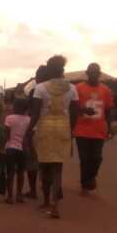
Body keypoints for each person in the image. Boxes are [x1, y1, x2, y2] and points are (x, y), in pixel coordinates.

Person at [27, 55, 79, 219]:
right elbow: (74, 112)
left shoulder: (40, 88)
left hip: (44, 128)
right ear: (63, 70)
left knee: (44, 166)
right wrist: (71, 131)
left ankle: (46, 200)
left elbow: (35, 114)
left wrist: (28, 131)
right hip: (63, 128)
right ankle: (55, 205)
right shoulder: (72, 89)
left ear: (49, 70)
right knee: (57, 169)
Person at [74, 63, 114, 195]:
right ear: (87, 73)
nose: (93, 75)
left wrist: (110, 127)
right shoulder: (78, 88)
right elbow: (71, 108)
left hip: (99, 130)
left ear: (99, 74)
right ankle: (84, 184)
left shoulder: (105, 90)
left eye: (96, 73)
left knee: (97, 158)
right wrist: (83, 110)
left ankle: (91, 177)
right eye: (91, 72)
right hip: (81, 129)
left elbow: (108, 110)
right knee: (84, 159)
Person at [23, 66, 49, 198]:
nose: (36, 78)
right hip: (52, 130)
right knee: (48, 163)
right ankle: (47, 191)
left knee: (32, 161)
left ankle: (33, 191)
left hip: (36, 129)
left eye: (37, 76)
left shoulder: (36, 90)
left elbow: (32, 112)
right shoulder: (58, 91)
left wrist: (28, 131)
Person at [3, 97, 32, 204]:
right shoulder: (29, 119)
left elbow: (6, 135)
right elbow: (30, 136)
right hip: (23, 149)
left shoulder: (9, 118)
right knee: (21, 173)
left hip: (11, 148)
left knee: (10, 173)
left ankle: (10, 196)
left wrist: (3, 148)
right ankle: (19, 195)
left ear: (15, 106)